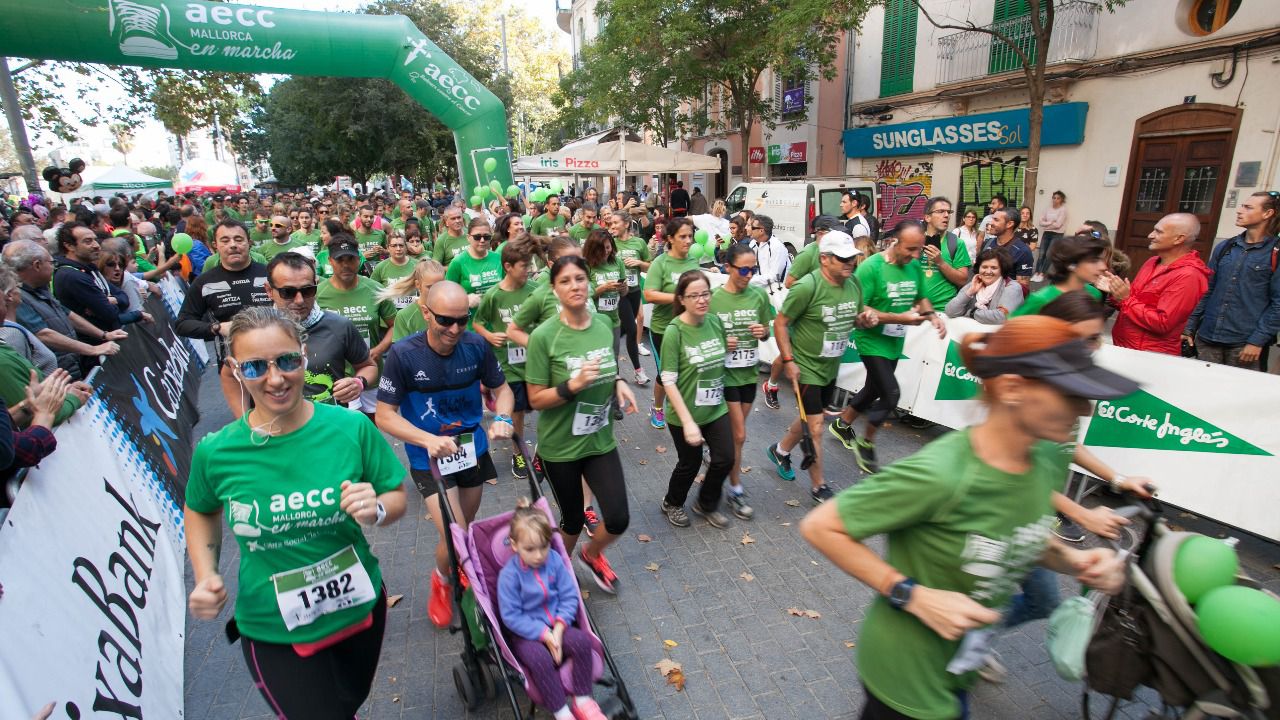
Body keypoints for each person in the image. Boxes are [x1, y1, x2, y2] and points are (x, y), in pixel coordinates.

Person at [799, 315, 1132, 720]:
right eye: (1069, 394)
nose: (1086, 407)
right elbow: (822, 525)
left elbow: (1017, 527)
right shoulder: (944, 472)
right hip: (904, 680)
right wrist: (913, 595)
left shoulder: (1042, 457)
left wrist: (1075, 561)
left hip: (955, 672)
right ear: (1012, 388)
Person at [185, 306, 408, 719]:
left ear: (303, 355)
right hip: (274, 628)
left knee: (347, 704)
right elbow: (200, 509)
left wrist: (375, 508)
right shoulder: (218, 451)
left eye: (287, 361)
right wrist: (206, 574)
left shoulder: (350, 428)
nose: (275, 378)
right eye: (255, 367)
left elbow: (395, 497)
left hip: (357, 608)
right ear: (235, 370)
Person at [375, 281, 515, 627]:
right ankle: (444, 579)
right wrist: (425, 439)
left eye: (462, 320)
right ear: (425, 313)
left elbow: (502, 390)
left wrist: (503, 417)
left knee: (462, 533)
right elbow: (384, 415)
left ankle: (447, 571)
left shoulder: (475, 346)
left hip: (471, 450)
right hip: (430, 458)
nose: (454, 329)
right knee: (457, 537)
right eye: (445, 320)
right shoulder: (404, 354)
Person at [524, 255, 638, 593]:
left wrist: (618, 381)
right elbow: (534, 399)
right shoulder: (545, 336)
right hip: (560, 446)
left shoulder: (603, 325)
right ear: (554, 289)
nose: (574, 286)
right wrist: (570, 386)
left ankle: (591, 554)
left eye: (579, 278)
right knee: (572, 519)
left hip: (599, 439)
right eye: (565, 281)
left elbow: (608, 365)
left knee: (618, 517)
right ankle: (558, 573)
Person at [830, 222, 946, 475]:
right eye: (911, 249)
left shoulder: (913, 265)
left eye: (919, 249)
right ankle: (866, 442)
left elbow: (921, 296)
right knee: (891, 394)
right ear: (894, 241)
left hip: (894, 341)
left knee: (873, 388)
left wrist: (932, 316)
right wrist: (902, 318)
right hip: (871, 340)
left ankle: (842, 423)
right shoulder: (872, 268)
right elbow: (860, 309)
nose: (916, 255)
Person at [767, 231, 873, 503]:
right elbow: (780, 323)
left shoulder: (854, 284)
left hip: (830, 366)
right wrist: (788, 361)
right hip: (806, 367)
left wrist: (865, 320)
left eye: (852, 258)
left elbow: (857, 318)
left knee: (809, 419)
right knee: (815, 427)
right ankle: (818, 486)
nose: (850, 263)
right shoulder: (807, 287)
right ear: (824, 259)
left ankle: (780, 451)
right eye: (843, 259)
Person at [497, 499, 608, 720]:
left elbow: (568, 597)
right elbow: (511, 616)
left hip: (558, 624)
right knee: (540, 660)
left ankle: (583, 700)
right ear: (514, 544)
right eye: (530, 549)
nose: (539, 555)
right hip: (526, 634)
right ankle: (561, 711)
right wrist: (544, 634)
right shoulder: (509, 576)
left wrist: (557, 629)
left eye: (544, 546)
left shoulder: (554, 560)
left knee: (583, 642)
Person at [658, 270, 734, 528]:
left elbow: (722, 354)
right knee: (689, 464)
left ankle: (706, 502)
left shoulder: (714, 322)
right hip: (684, 412)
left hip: (714, 407)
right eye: (694, 296)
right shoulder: (674, 332)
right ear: (681, 299)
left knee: (725, 457)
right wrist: (688, 422)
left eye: (705, 294)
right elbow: (668, 379)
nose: (702, 300)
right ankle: (672, 501)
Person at [176, 219, 271, 418]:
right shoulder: (205, 281)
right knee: (250, 423)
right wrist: (216, 328)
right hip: (235, 367)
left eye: (239, 239)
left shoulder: (269, 273)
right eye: (225, 240)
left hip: (275, 361)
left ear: (249, 243)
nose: (233, 245)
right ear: (215, 246)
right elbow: (183, 323)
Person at [710, 243, 773, 520]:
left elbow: (767, 331)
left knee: (736, 435)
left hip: (748, 373)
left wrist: (763, 332)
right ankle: (735, 488)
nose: (749, 275)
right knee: (739, 435)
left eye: (753, 269)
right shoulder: (713, 299)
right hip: (723, 376)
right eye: (744, 269)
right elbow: (700, 337)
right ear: (728, 268)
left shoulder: (758, 296)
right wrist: (722, 342)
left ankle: (718, 456)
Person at [1184, 191, 1280, 371]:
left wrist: (1257, 340)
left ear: (1268, 214)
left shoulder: (1275, 252)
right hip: (1208, 338)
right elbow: (1208, 290)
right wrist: (1189, 327)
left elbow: (1278, 303)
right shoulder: (1225, 247)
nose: (1239, 210)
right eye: (1242, 205)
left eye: (1248, 207)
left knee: (1239, 396)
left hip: (1244, 344)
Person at [265, 252, 378, 405]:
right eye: (288, 292)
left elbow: (368, 366)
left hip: (332, 424)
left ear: (316, 284)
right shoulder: (257, 332)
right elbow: (230, 375)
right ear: (269, 291)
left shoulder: (339, 325)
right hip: (276, 427)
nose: (299, 300)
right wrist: (243, 416)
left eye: (307, 291)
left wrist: (358, 382)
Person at [3, 239, 123, 379]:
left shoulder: (41, 288)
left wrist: (104, 335)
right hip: (56, 375)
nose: (54, 267)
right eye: (52, 263)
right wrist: (92, 349)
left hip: (72, 365)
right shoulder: (15, 297)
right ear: (37, 265)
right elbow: (42, 334)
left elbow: (67, 314)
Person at [473, 241, 537, 480]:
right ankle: (518, 452)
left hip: (534, 361)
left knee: (536, 405)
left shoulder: (535, 289)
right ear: (508, 266)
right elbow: (478, 323)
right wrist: (490, 335)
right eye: (524, 266)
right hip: (508, 364)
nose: (529, 269)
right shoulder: (494, 295)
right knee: (518, 411)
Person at [1102, 213, 1209, 355]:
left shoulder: (1189, 276)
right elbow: (1133, 304)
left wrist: (1126, 299)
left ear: (1179, 239)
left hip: (1150, 355)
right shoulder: (1152, 262)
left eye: (1158, 232)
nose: (1150, 235)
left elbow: (1163, 323)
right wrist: (1113, 291)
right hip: (1125, 346)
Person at [316, 235, 397, 418]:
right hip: (332, 378)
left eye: (351, 259)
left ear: (359, 259)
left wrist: (378, 349)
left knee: (370, 429)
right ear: (330, 261)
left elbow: (395, 325)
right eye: (340, 259)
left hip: (369, 374)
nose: (346, 264)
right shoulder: (317, 295)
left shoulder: (375, 289)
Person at [643, 218, 703, 429]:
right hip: (663, 328)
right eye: (683, 237)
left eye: (690, 236)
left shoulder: (693, 261)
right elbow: (649, 294)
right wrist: (680, 297)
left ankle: (685, 409)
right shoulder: (661, 263)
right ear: (670, 239)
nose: (688, 241)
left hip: (688, 328)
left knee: (688, 370)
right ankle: (658, 407)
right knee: (666, 374)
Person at [584, 229, 639, 394]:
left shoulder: (617, 263)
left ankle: (613, 398)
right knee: (594, 360)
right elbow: (584, 295)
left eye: (609, 248)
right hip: (593, 322)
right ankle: (594, 393)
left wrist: (622, 288)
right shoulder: (587, 266)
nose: (607, 252)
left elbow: (625, 293)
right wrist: (604, 287)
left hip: (614, 320)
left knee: (612, 360)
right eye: (603, 249)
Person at [50, 222, 128, 334]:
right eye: (88, 241)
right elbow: (110, 314)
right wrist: (109, 303)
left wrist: (113, 300)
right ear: (69, 246)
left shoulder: (90, 268)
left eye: (95, 239)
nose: (96, 245)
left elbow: (124, 297)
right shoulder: (72, 276)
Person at [1010, 233, 1107, 317]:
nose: (1104, 267)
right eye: (1094, 260)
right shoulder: (1042, 299)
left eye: (1103, 260)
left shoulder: (1094, 294)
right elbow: (1011, 330)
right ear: (1072, 264)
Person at [609, 211, 652, 376]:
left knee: (625, 330)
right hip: (619, 293)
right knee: (632, 329)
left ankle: (615, 367)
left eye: (615, 223)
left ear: (626, 224)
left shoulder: (639, 243)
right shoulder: (611, 243)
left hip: (635, 290)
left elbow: (649, 266)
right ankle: (637, 370)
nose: (612, 226)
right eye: (611, 223)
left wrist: (639, 262)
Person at [0, 266, 58, 376]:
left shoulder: (12, 328)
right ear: (9, 295)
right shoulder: (10, 334)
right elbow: (20, 376)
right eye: (17, 286)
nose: (20, 291)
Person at [445, 217, 504, 319]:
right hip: (471, 324)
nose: (482, 240)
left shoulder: (498, 258)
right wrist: (465, 300)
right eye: (477, 237)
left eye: (486, 237)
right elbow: (447, 295)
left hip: (497, 322)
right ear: (468, 237)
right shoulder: (458, 262)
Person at [944, 248, 1023, 323]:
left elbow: (1002, 317)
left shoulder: (1012, 287)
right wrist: (969, 293)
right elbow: (950, 311)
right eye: (984, 267)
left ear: (1002, 270)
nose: (988, 271)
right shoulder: (974, 284)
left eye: (994, 268)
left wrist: (972, 313)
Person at [920, 197, 971, 309]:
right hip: (914, 310)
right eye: (941, 211)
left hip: (943, 310)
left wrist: (940, 262)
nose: (946, 215)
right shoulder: (915, 240)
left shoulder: (956, 243)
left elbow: (963, 280)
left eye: (949, 212)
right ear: (927, 217)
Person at [386, 259, 447, 339]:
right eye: (430, 287)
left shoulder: (451, 311)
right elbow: (400, 349)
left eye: (440, 285)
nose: (435, 291)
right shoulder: (405, 316)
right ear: (418, 284)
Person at [978, 207, 1034, 291]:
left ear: (1009, 224)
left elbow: (1022, 289)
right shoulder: (987, 243)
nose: (991, 223)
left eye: (996, 220)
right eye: (992, 219)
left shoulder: (1023, 251)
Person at [747, 215, 790, 290]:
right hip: (759, 288)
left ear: (761, 231)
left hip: (777, 292)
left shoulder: (777, 247)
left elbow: (774, 277)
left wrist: (749, 280)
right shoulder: (753, 243)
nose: (746, 228)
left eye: (751, 227)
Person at [1035, 190, 1068, 280]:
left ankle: (1042, 273)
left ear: (1061, 200)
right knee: (1041, 253)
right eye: (1054, 198)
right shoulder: (1047, 209)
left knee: (1049, 254)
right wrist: (1051, 222)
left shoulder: (1063, 210)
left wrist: (1047, 223)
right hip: (1047, 233)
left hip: (1057, 235)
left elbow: (1058, 225)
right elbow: (1040, 222)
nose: (1055, 200)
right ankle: (1037, 273)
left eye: (1058, 198)